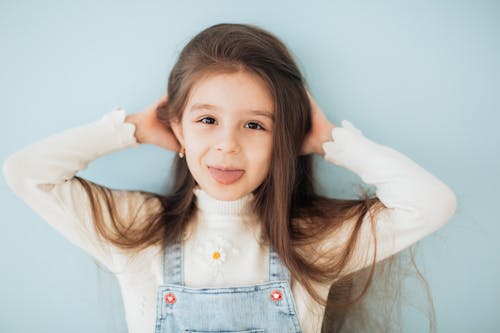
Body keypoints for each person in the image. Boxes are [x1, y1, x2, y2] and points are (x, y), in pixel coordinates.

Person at [2, 23, 457, 333]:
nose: (227, 146)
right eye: (206, 121)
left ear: (285, 138)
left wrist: (331, 140)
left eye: (255, 125)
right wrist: (132, 128)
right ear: (176, 125)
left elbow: (431, 203)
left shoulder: (311, 241)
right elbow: (26, 173)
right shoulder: (138, 231)